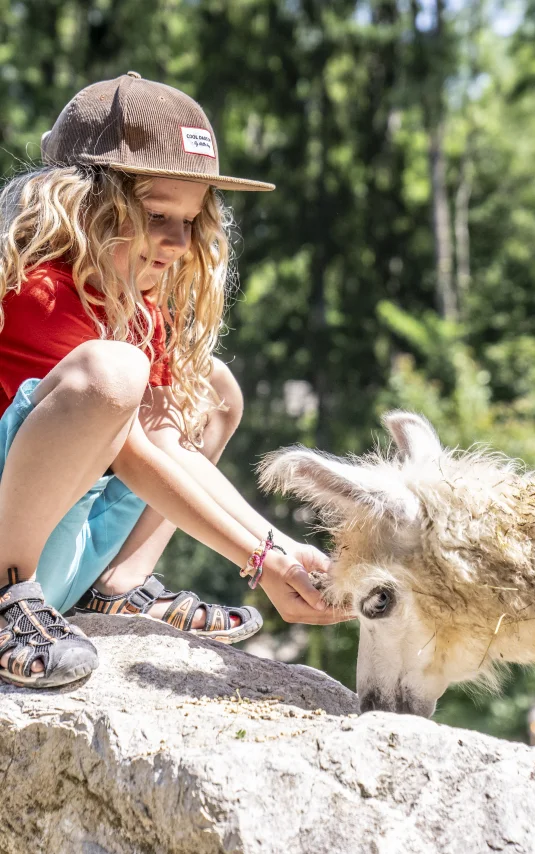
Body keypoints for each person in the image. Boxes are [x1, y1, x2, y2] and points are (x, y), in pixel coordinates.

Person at [0, 71, 347, 689]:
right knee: (115, 372)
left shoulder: (138, 308)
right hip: (15, 548)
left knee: (212, 390)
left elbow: (165, 445)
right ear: (84, 201)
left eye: (191, 220)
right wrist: (258, 563)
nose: (179, 242)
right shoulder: (41, 292)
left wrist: (281, 549)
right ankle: (9, 600)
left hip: (65, 548)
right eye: (158, 214)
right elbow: (132, 455)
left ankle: (115, 586)